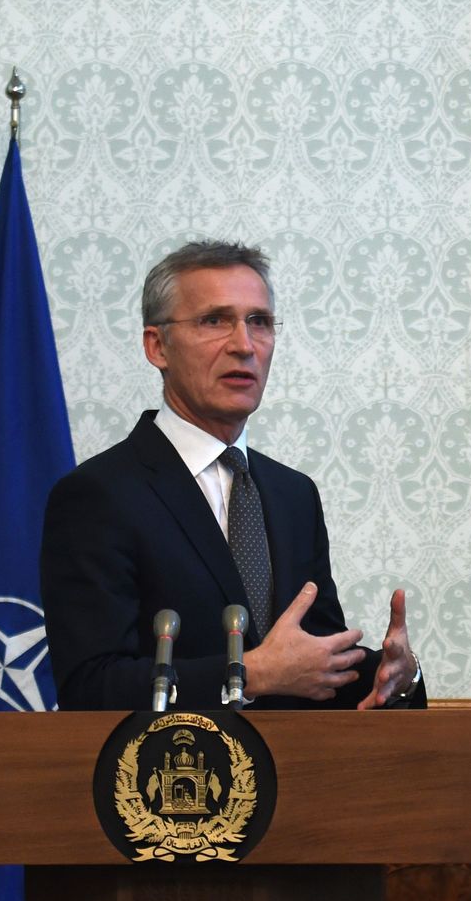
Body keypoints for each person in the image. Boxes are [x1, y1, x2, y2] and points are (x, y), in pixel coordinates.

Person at [41, 240, 424, 710]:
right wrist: (250, 675)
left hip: (294, 777)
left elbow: (313, 668)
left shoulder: (293, 494)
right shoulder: (98, 495)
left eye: (258, 322)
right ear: (157, 345)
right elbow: (90, 688)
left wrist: (394, 678)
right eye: (214, 320)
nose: (243, 345)